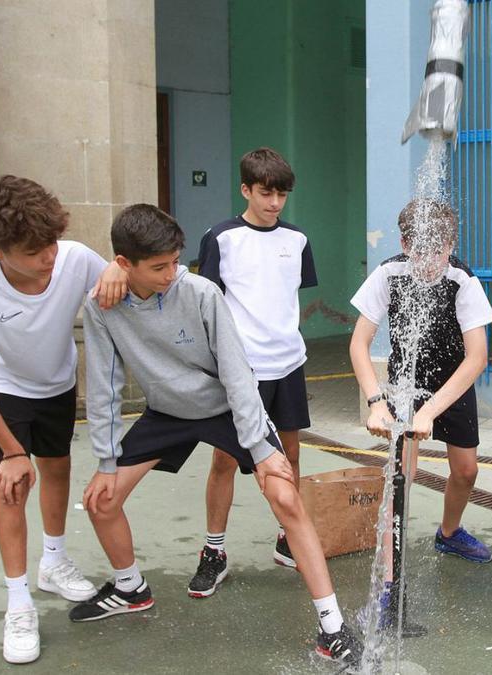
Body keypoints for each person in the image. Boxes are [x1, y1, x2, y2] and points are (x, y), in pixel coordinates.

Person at [73, 204, 362, 666]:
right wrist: (106, 461)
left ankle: (333, 627)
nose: (172, 274)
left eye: (175, 261)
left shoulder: (201, 292)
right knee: (100, 499)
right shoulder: (102, 306)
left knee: (285, 496)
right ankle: (131, 588)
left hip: (225, 406)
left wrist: (262, 453)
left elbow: (236, 374)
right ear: (124, 264)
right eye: (159, 267)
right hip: (166, 411)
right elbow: (104, 387)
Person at [0, 176, 127, 664]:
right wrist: (10, 450)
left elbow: (116, 276)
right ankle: (18, 601)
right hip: (4, 391)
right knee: (13, 483)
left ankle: (53, 562)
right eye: (32, 251)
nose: (48, 256)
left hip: (57, 382)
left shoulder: (71, 257)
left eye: (51, 243)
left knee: (57, 467)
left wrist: (114, 268)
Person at [350, 198, 492, 630]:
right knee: (400, 480)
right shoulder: (389, 273)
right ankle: (387, 590)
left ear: (450, 244)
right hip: (403, 385)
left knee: (466, 471)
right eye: (420, 249)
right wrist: (377, 401)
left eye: (439, 249)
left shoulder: (462, 280)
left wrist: (431, 410)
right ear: (404, 242)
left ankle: (449, 533)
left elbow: (477, 357)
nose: (429, 260)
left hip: (452, 388)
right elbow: (359, 344)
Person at [188, 148, 316, 597]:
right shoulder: (220, 238)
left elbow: (289, 299)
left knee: (291, 456)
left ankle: (287, 538)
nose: (275, 202)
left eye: (282, 193)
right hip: (242, 371)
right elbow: (206, 304)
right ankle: (214, 551)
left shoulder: (297, 240)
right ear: (246, 189)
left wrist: (285, 340)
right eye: (266, 193)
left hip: (289, 366)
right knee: (225, 458)